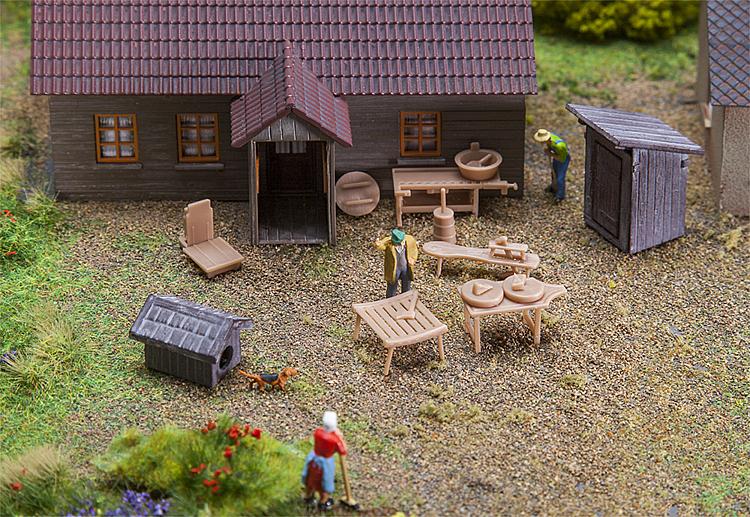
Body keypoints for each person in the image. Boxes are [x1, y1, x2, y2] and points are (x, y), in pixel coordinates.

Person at [301, 411, 348, 511]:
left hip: (314, 458)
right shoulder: (335, 439)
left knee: (310, 480)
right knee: (325, 483)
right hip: (325, 462)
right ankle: (323, 502)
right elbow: (343, 450)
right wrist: (340, 437)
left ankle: (308, 497)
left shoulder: (318, 432)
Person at [374, 229, 418, 298]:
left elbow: (414, 250)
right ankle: (390, 300)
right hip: (394, 268)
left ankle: (406, 298)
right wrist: (377, 244)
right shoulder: (389, 243)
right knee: (392, 285)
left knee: (406, 284)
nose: (400, 243)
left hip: (406, 268)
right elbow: (381, 245)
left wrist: (413, 259)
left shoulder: (409, 240)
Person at [533, 128, 570, 201]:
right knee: (553, 173)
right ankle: (553, 186)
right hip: (556, 155)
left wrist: (551, 154)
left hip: (563, 158)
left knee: (560, 178)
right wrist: (549, 150)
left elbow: (562, 159)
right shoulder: (549, 139)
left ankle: (560, 195)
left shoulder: (559, 146)